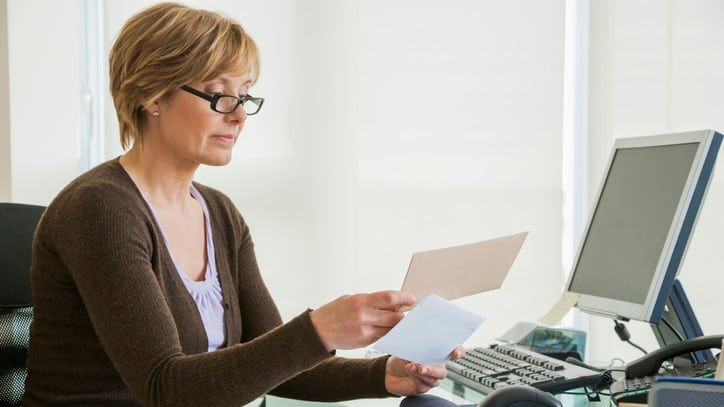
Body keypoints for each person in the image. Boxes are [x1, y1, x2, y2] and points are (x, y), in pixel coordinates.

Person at [22, 3, 463, 406]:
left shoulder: (220, 214)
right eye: (219, 94)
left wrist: (384, 374)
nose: (237, 115)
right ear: (152, 95)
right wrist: (318, 330)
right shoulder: (100, 210)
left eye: (245, 95)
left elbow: (276, 369)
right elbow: (164, 388)